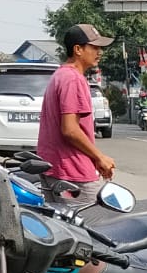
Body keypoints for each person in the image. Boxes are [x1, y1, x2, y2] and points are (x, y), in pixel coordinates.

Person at [37, 24, 117, 197]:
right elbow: (70, 130)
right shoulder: (73, 79)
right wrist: (99, 157)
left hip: (56, 169)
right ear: (78, 49)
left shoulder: (61, 75)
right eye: (94, 47)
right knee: (96, 221)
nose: (99, 52)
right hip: (73, 172)